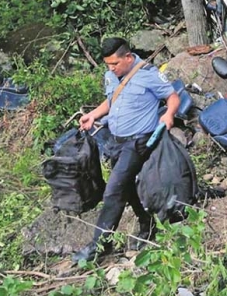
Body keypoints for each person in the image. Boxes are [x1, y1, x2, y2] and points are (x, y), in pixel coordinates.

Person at [72, 37, 180, 263]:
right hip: (116, 140)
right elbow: (112, 100)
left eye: (115, 64)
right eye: (108, 65)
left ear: (128, 57)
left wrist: (168, 114)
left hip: (138, 142)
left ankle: (99, 245)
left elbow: (172, 96)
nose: (111, 69)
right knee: (127, 187)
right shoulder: (111, 76)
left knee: (113, 190)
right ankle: (147, 222)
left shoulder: (148, 74)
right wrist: (93, 115)